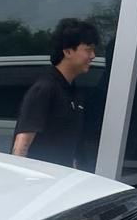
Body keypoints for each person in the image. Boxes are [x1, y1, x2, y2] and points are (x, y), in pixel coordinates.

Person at [12, 18, 100, 168]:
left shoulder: (73, 90)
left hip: (63, 176)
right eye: (88, 50)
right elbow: (22, 144)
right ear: (67, 51)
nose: (93, 56)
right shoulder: (45, 88)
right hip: (40, 176)